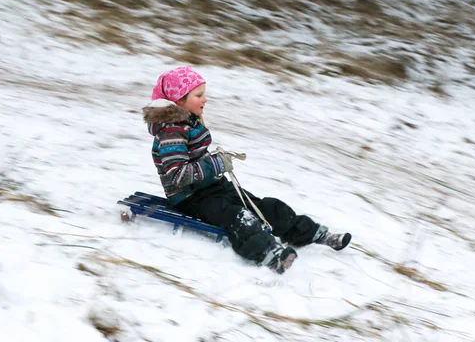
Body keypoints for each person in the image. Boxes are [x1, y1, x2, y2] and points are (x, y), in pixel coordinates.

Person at [143, 66, 351, 274]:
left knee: (262, 206)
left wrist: (215, 161)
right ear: (179, 100)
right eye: (199, 95)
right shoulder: (171, 132)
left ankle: (312, 233)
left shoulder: (186, 123)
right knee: (239, 216)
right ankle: (269, 254)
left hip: (211, 187)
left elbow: (194, 159)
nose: (205, 99)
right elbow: (178, 175)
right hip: (190, 197)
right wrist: (215, 164)